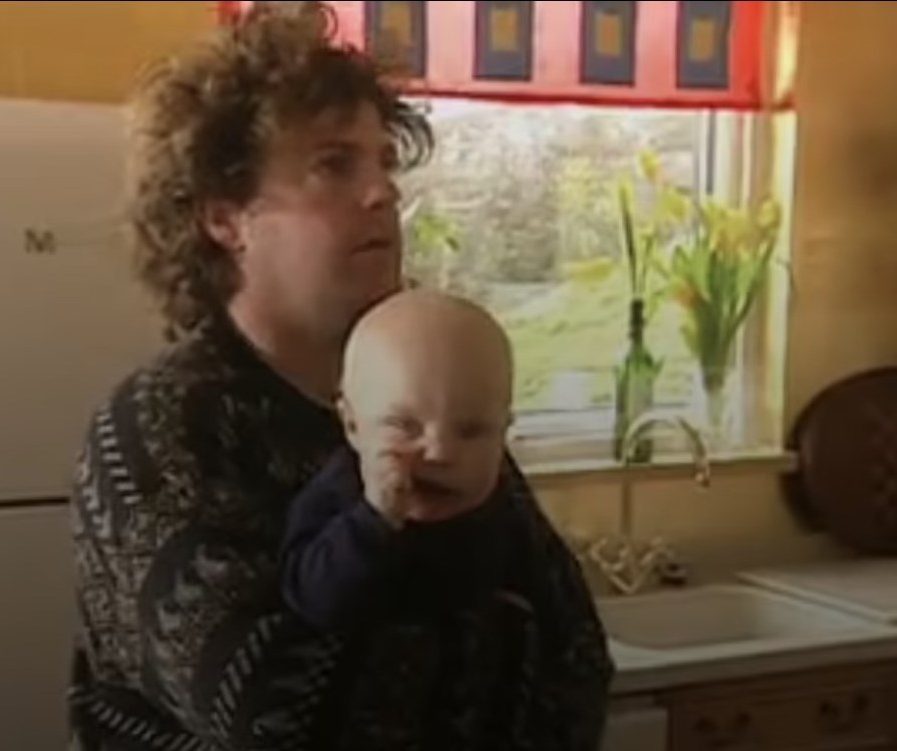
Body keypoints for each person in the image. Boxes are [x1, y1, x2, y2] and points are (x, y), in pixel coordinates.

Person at [68, 3, 613, 751]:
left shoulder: (422, 388)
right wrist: (491, 638)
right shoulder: (160, 424)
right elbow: (274, 719)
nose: (384, 190)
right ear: (226, 217)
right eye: (334, 163)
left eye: (384, 160)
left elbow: (578, 656)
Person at [280, 289, 526, 633]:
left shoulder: (506, 504)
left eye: (472, 431)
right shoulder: (338, 494)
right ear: (352, 425)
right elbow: (316, 604)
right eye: (404, 427)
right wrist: (373, 521)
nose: (440, 453)